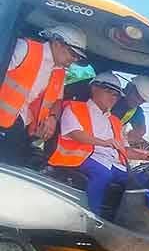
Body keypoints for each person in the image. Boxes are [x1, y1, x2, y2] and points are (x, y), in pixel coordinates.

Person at [0, 25, 86, 166]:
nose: (74, 59)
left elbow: (57, 101)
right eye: (72, 53)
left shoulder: (59, 72)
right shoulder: (25, 48)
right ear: (57, 43)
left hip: (21, 124)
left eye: (78, 57)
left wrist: (52, 118)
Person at [49, 73, 130, 217]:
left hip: (108, 161)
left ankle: (122, 220)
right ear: (94, 88)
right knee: (102, 174)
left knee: (136, 181)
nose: (113, 98)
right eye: (109, 92)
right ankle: (92, 217)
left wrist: (144, 155)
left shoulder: (115, 121)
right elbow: (75, 133)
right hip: (78, 157)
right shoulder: (75, 108)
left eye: (116, 95)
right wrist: (104, 143)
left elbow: (122, 149)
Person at [111, 75, 149, 146]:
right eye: (137, 96)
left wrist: (126, 138)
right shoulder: (109, 94)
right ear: (129, 86)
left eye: (143, 100)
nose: (138, 102)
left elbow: (141, 130)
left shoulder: (136, 111)